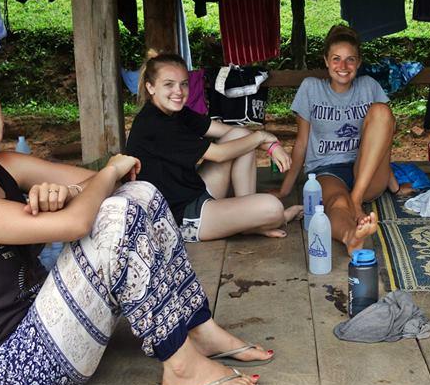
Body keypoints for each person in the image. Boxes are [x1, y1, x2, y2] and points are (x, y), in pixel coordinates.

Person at [0, 59, 274, 385]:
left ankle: (199, 328)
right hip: (11, 371)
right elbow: (81, 218)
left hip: (53, 325)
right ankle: (182, 367)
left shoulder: (5, 166)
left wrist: (71, 192)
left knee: (141, 195)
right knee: (117, 211)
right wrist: (106, 172)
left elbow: (129, 182)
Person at [127, 53, 302, 243]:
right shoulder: (154, 124)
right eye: (168, 84)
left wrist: (271, 143)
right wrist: (263, 136)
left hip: (193, 192)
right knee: (273, 208)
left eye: (184, 84)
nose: (178, 91)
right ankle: (258, 219)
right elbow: (219, 155)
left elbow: (231, 132)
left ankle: (250, 221)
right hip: (178, 218)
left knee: (240, 135)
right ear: (150, 87)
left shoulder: (176, 113)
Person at [276, 24, 401, 254]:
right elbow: (302, 142)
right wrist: (285, 190)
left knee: (383, 112)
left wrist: (395, 186)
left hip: (367, 171)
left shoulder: (369, 87)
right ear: (326, 60)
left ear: (359, 63)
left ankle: (356, 198)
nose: (343, 66)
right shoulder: (311, 88)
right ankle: (351, 236)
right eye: (336, 59)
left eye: (350, 60)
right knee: (337, 204)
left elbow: (382, 140)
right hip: (328, 170)